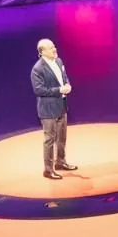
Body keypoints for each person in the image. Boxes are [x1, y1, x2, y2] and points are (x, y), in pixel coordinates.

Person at [31, 37, 77, 179]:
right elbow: (39, 90)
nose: (54, 49)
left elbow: (64, 77)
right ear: (42, 52)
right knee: (50, 139)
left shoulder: (59, 61)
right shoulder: (37, 69)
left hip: (61, 106)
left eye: (54, 46)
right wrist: (60, 90)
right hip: (48, 110)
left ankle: (60, 161)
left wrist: (67, 85)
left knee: (62, 137)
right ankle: (48, 169)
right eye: (51, 48)